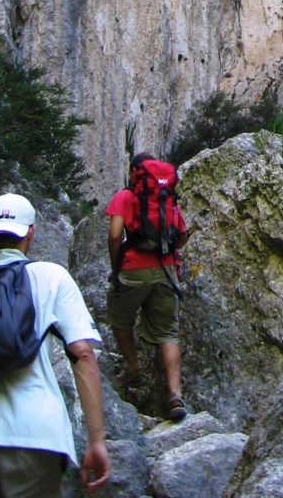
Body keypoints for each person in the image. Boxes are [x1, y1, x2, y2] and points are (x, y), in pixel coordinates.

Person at [0, 192, 110, 497]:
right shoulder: (51, 277)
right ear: (31, 233)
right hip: (34, 438)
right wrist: (97, 441)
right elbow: (82, 354)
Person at [105, 152, 188, 421]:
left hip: (132, 270)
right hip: (166, 271)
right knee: (168, 333)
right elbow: (182, 234)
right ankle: (175, 395)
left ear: (133, 173)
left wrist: (116, 266)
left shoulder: (125, 197)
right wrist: (167, 252)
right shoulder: (167, 198)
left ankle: (132, 368)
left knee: (120, 318)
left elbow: (115, 234)